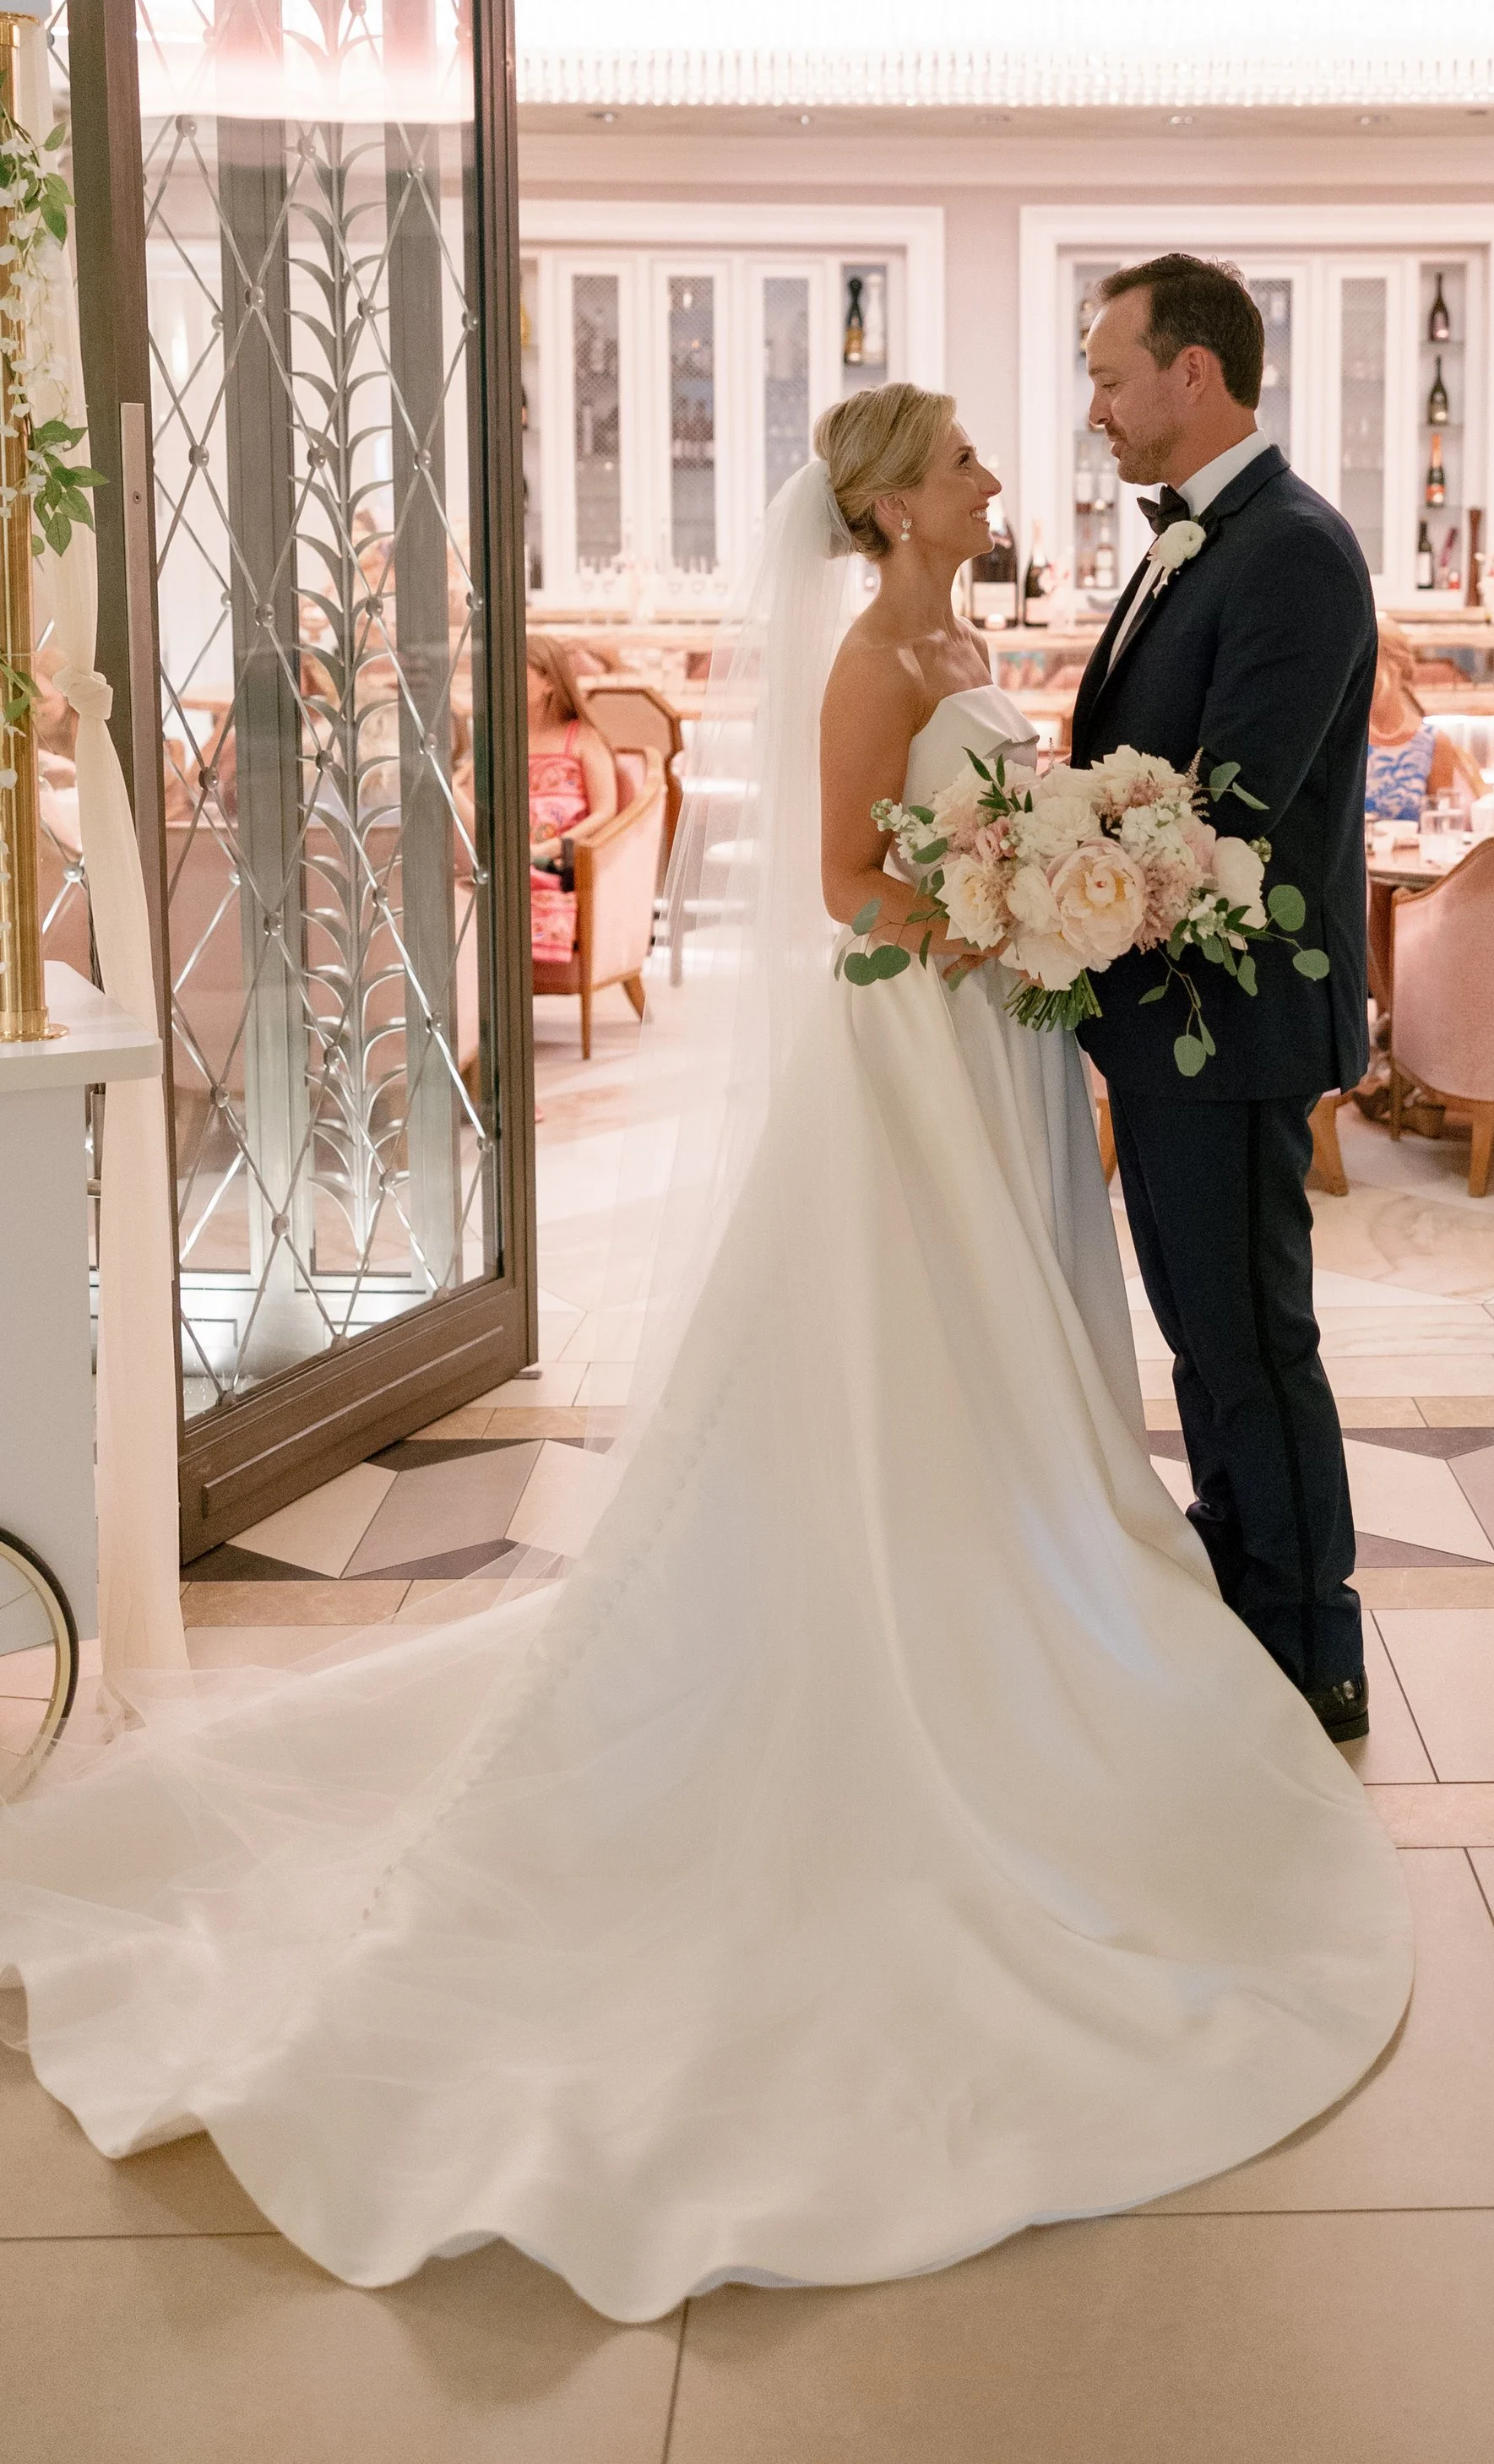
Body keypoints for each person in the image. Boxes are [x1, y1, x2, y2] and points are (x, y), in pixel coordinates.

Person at [0, 382, 1410, 2324]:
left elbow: (977, 815)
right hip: (919, 1044)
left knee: (1013, 1350)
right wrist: (1013, 902)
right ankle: (914, 1615)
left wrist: (1053, 873)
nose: (1001, 472)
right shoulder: (861, 653)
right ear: (904, 490)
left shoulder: (955, 629)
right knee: (910, 1348)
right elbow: (848, 884)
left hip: (992, 1044)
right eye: (972, 458)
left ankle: (1023, 1581)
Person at [1071, 254, 1377, 1746]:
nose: (1097, 410)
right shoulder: (1197, 542)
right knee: (1206, 1335)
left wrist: (1041, 860)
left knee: (1255, 1335)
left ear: (1195, 376)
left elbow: (1230, 814)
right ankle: (1247, 1591)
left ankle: (1312, 1645)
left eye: (1111, 377)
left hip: (1234, 1021)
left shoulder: (1294, 552)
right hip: (1164, 1018)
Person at [524, 632, 619, 964]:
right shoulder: (506, 740)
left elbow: (606, 811)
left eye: (521, 674)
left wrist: (546, 849)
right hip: (513, 857)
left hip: (559, 860)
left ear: (550, 682)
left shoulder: (582, 738)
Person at [1364, 619, 1483, 825]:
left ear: (1396, 667)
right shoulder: (1344, 736)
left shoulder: (1433, 742)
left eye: (1368, 664)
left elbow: (1441, 824)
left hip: (1412, 855)